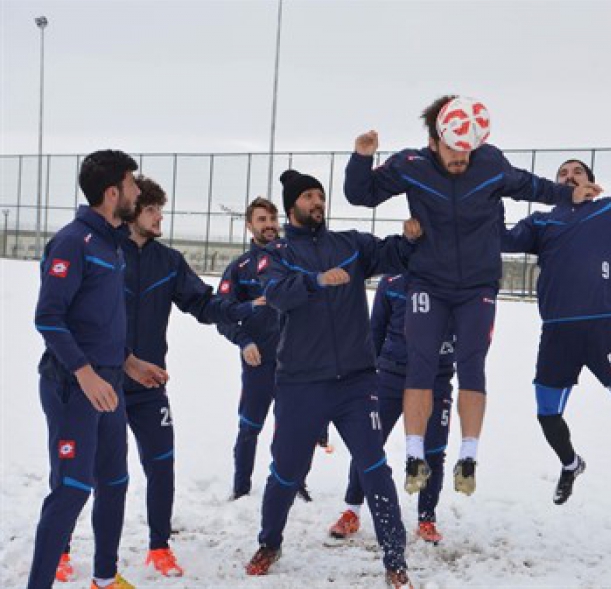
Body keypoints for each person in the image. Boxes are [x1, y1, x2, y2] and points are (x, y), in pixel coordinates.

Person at [344, 95, 602, 496]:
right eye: (454, 149)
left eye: (469, 149)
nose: (463, 157)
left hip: (478, 286)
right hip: (428, 281)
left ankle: (468, 456)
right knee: (421, 365)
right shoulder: (410, 165)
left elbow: (531, 185)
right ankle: (414, 456)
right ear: (434, 141)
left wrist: (570, 194)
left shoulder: (490, 162)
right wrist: (362, 158)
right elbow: (362, 195)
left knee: (471, 364)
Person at [55, 175, 257, 582]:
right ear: (132, 211)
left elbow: (200, 302)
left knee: (161, 464)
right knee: (82, 471)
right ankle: (60, 549)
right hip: (100, 382)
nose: (159, 217)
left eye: (160, 210)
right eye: (152, 210)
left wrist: (244, 308)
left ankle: (160, 547)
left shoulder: (168, 261)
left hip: (148, 385)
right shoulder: (105, 253)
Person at [245, 169, 420, 588]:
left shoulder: (350, 244)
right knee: (286, 471)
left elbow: (391, 253)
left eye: (320, 195)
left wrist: (411, 237)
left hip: (357, 382)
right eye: (308, 196)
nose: (317, 202)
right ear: (292, 208)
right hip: (301, 383)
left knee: (374, 468)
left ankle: (395, 560)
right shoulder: (278, 252)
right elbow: (278, 292)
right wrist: (317, 281)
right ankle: (270, 542)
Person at [501, 114, 611, 504]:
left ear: (591, 183)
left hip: (602, 328)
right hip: (556, 332)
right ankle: (571, 465)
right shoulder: (542, 222)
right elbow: (497, 238)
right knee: (546, 412)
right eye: (563, 172)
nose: (569, 176)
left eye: (577, 171)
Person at [29, 151, 168, 589]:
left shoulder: (113, 243)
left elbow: (100, 319)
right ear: (112, 193)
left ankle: (104, 579)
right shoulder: (73, 242)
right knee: (71, 490)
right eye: (131, 185)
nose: (136, 191)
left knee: (115, 481)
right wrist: (86, 374)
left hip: (110, 383)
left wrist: (128, 362)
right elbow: (49, 317)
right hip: (72, 386)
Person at [329, 273, 454, 545]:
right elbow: (375, 330)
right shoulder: (392, 282)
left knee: (433, 449)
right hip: (391, 377)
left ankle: (426, 518)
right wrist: (365, 373)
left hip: (435, 380)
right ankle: (352, 510)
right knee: (368, 445)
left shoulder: (452, 279)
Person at [216, 197, 285, 501]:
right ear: (249, 225)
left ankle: (293, 484)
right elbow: (222, 314)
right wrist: (244, 341)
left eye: (272, 218)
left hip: (297, 362)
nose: (269, 224)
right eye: (261, 219)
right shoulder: (240, 268)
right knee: (250, 426)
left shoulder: (294, 260)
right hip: (259, 362)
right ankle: (241, 488)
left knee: (294, 427)